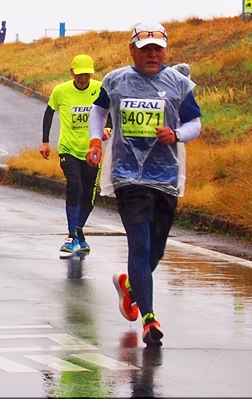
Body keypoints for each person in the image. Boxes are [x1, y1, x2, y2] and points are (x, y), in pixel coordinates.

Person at [86, 21, 202, 346]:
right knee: (139, 244)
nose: (152, 54)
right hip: (127, 175)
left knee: (156, 249)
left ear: (165, 51)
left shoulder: (179, 83)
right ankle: (149, 319)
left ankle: (129, 286)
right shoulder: (116, 80)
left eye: (157, 49)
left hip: (164, 176)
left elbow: (195, 123)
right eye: (145, 48)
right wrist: (95, 141)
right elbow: (99, 111)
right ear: (132, 50)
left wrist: (176, 134)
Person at [40, 54, 107, 255]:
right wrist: (45, 141)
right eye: (79, 74)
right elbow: (49, 112)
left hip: (91, 150)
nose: (83, 78)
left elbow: (111, 110)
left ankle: (78, 231)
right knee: (75, 187)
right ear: (72, 73)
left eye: (87, 74)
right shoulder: (61, 91)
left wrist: (108, 129)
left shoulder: (100, 88)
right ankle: (71, 236)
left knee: (89, 195)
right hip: (68, 149)